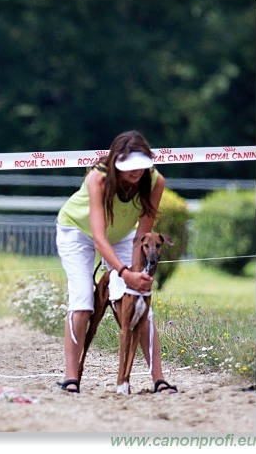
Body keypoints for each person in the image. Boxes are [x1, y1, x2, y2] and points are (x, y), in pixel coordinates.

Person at [55, 130, 178, 394]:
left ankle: (159, 379)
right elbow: (99, 239)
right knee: (83, 302)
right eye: (130, 168)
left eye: (141, 167)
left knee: (141, 301)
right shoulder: (98, 178)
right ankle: (71, 377)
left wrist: (138, 275)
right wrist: (123, 272)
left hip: (124, 236)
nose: (136, 173)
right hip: (77, 232)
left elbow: (142, 236)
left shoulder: (155, 182)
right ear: (116, 164)